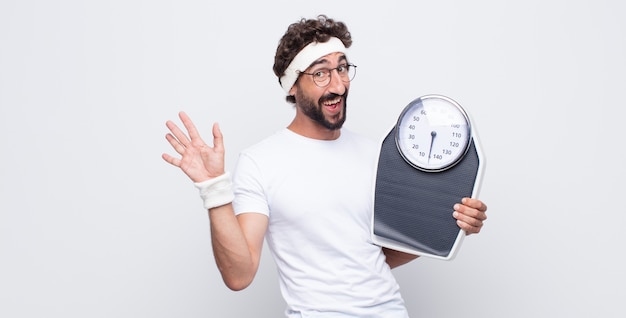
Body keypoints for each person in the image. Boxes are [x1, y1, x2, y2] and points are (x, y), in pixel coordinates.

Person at [162, 15, 488, 317]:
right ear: (291, 84)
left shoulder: (378, 154)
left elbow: (380, 254)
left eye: (342, 68)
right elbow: (239, 274)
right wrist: (214, 188)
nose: (338, 85)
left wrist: (448, 224)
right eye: (320, 73)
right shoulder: (260, 162)